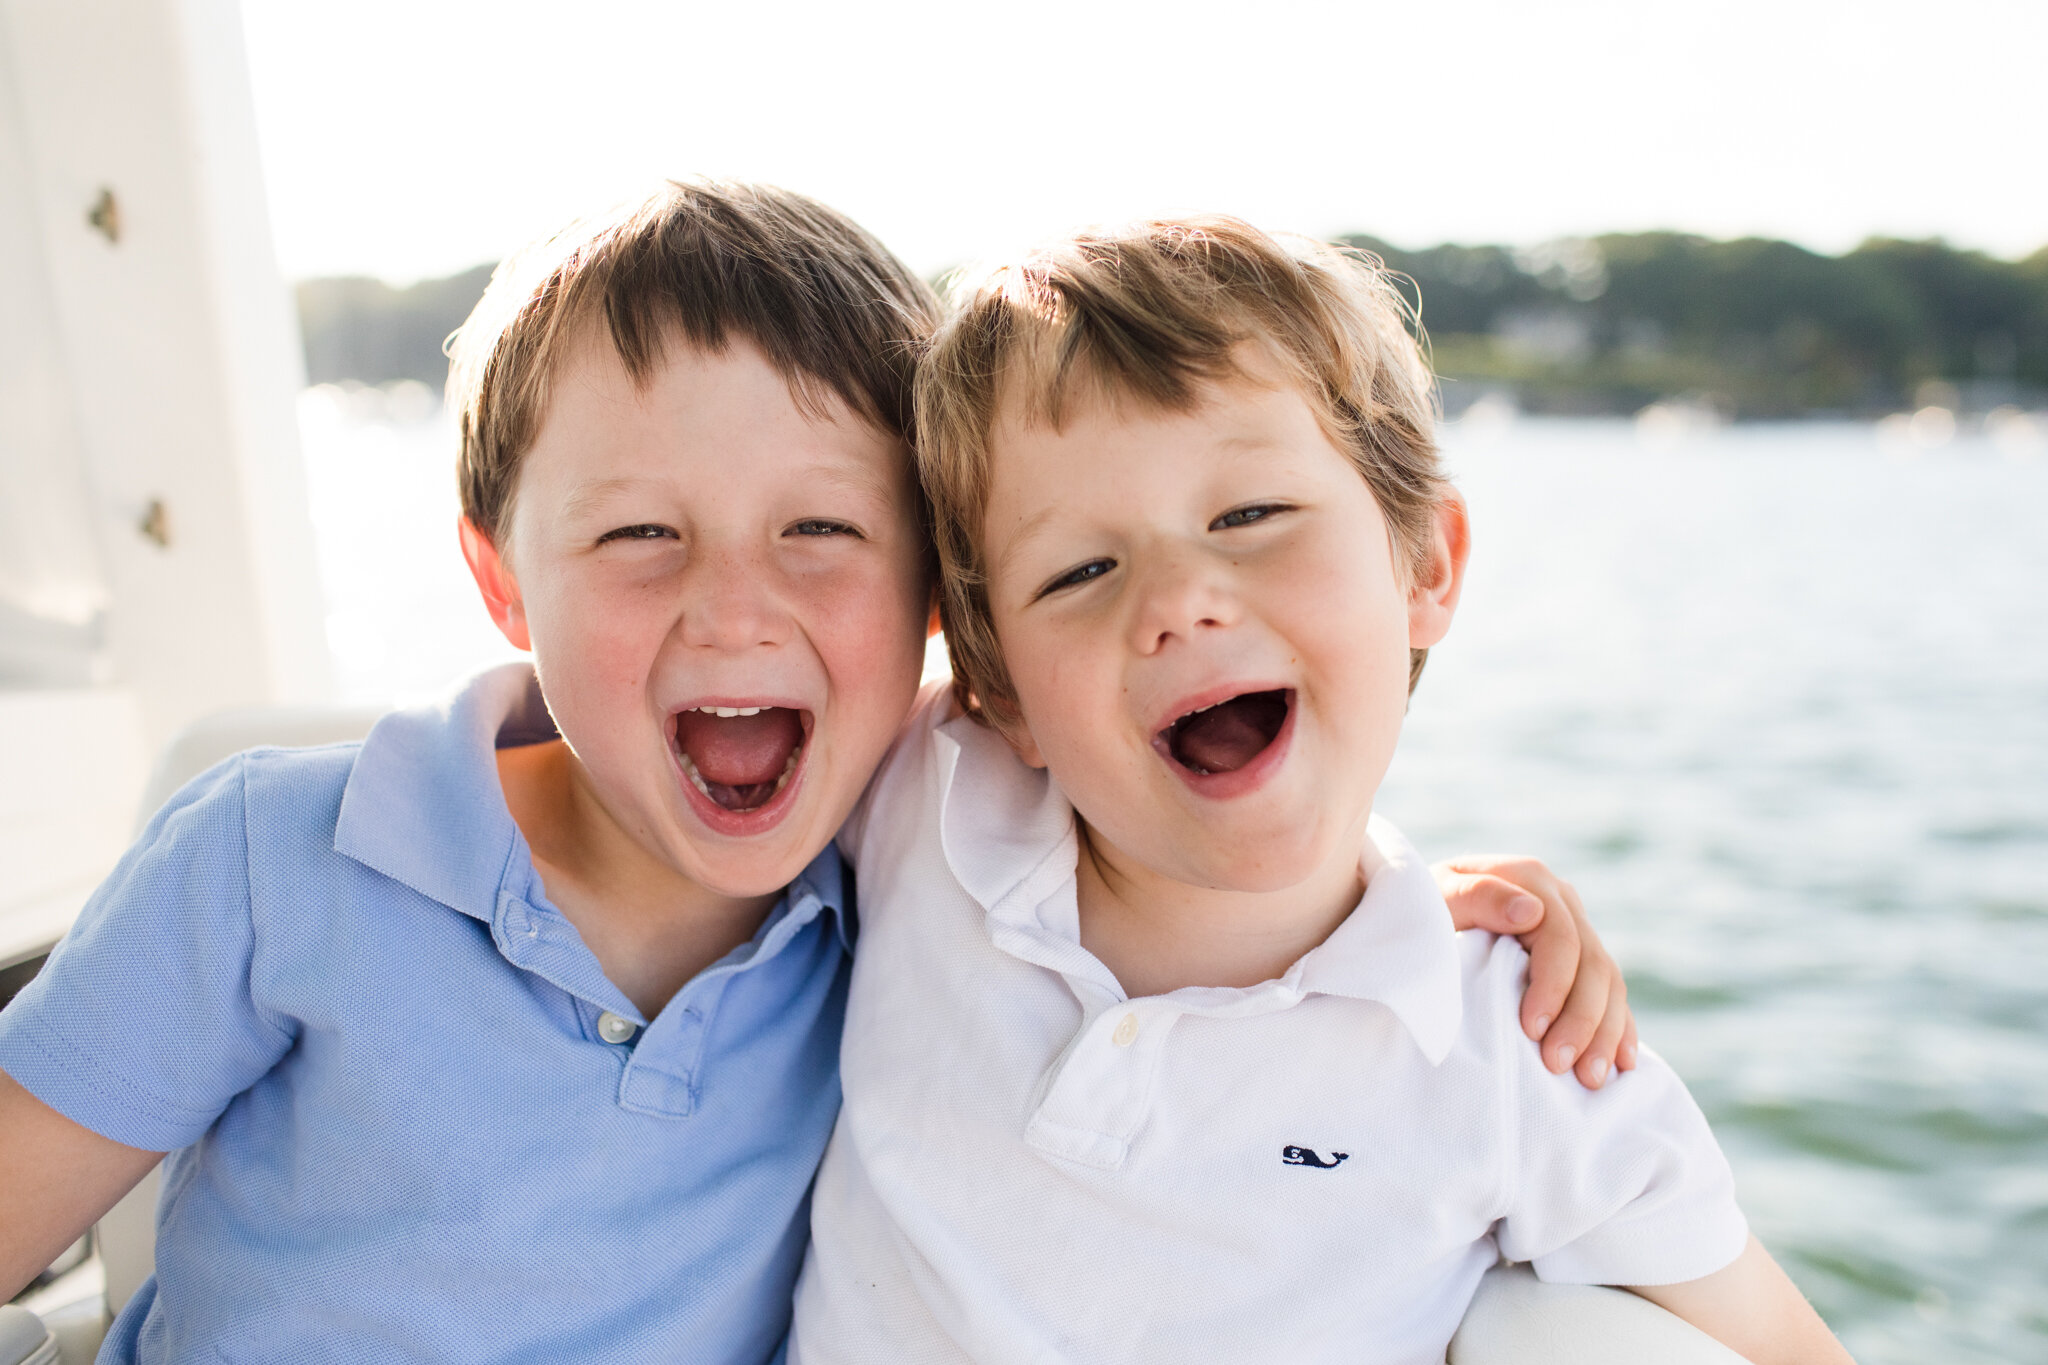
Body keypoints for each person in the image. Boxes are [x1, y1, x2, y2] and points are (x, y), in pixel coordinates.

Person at [0, 183, 1632, 1363]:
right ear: (502, 583)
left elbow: (1183, 789)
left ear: (937, 606)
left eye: (823, 533)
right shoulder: (275, 861)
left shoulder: (910, 867)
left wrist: (1401, 901)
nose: (733, 604)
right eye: (637, 535)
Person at [790, 216, 1853, 1364]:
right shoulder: (928, 793)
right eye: (1080, 570)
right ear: (1000, 689)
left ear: (1425, 567)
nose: (1178, 599)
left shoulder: (1519, 1048)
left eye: (1248, 516)